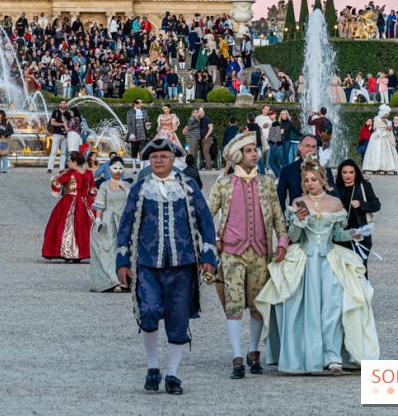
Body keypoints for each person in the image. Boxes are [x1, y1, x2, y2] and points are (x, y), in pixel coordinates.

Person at [254, 160, 379, 375]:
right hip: (306, 261)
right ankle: (309, 357)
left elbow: (338, 235)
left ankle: (333, 357)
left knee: (333, 308)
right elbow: (293, 237)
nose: (309, 183)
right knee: (308, 311)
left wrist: (355, 234)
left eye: (313, 179)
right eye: (306, 180)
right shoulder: (298, 203)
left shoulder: (335, 204)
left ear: (323, 180)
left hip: (330, 260)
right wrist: (298, 222)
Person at [116, 139, 217, 394]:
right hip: (148, 264)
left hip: (183, 264)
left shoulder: (189, 186)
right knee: (148, 311)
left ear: (174, 160)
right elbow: (125, 225)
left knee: (178, 318)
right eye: (154, 157)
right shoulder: (140, 188)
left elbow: (206, 221)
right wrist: (122, 261)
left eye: (163, 156)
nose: (158, 161)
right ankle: (152, 367)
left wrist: (208, 257)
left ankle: (172, 374)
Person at [208, 132, 288, 379]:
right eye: (250, 150)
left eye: (255, 150)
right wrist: (214, 241)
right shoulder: (223, 184)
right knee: (233, 303)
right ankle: (236, 357)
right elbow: (206, 216)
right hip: (232, 252)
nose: (256, 153)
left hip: (261, 252)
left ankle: (254, 353)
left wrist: (282, 241)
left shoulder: (266, 183)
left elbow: (277, 216)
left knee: (257, 305)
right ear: (236, 156)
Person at [42, 151, 96, 261]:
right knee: (84, 228)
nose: (68, 163)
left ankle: (67, 252)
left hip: (70, 200)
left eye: (69, 161)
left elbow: (56, 182)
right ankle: (83, 252)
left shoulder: (70, 173)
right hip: (86, 202)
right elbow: (93, 190)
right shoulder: (89, 173)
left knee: (65, 225)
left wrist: (55, 179)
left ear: (75, 162)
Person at [90, 157, 130, 293]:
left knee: (126, 250)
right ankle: (113, 281)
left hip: (125, 220)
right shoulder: (105, 185)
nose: (118, 171)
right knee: (110, 250)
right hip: (110, 220)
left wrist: (126, 189)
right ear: (110, 169)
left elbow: (133, 203)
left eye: (120, 168)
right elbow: (100, 203)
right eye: (115, 168)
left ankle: (125, 281)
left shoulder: (127, 185)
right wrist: (98, 219)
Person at [335, 159, 381, 275]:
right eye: (345, 172)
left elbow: (376, 205)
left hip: (360, 234)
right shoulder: (336, 188)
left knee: (360, 268)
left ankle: (363, 292)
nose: (348, 175)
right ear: (341, 173)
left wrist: (361, 204)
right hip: (341, 235)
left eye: (351, 172)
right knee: (343, 270)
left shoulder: (364, 186)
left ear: (356, 173)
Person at [277, 134, 334, 211]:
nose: (311, 149)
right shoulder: (287, 170)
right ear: (300, 147)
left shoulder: (325, 170)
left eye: (313, 147)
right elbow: (280, 197)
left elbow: (333, 192)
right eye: (308, 146)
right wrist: (283, 219)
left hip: (321, 215)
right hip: (297, 216)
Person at [361, 105, 398, 174]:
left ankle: (386, 169)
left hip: (386, 138)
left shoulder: (387, 121)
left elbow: (387, 128)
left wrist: (388, 129)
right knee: (378, 153)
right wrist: (386, 128)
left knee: (386, 154)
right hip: (378, 138)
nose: (388, 114)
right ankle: (377, 169)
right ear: (384, 113)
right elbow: (376, 129)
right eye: (387, 113)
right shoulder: (377, 120)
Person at [125, 98, 150, 173]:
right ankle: (134, 169)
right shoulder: (130, 112)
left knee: (142, 151)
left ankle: (142, 168)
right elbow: (129, 124)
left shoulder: (145, 111)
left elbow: (146, 121)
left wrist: (147, 124)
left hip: (142, 134)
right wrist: (131, 134)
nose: (140, 105)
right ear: (135, 104)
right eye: (139, 103)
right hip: (134, 135)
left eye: (141, 103)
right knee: (134, 151)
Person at [47, 100, 71, 174]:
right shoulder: (56, 112)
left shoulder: (68, 114)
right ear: (60, 104)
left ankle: (61, 168)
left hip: (65, 134)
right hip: (57, 133)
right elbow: (52, 122)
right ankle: (50, 167)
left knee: (63, 152)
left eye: (64, 103)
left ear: (66, 105)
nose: (63, 105)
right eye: (62, 103)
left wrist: (64, 125)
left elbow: (69, 124)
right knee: (54, 151)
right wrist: (62, 124)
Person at [0, 109, 14, 173]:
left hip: (3, 140)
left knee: (4, 154)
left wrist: (5, 135)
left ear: (1, 115)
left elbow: (11, 131)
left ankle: (5, 169)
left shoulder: (7, 123)